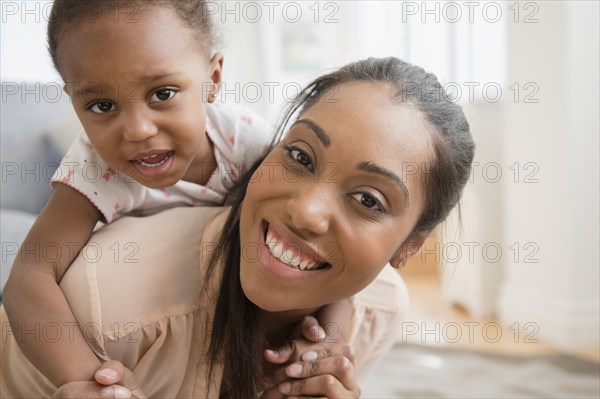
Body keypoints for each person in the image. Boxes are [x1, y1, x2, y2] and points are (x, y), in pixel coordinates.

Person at [1, 56, 475, 398]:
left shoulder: (380, 310)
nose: (306, 212)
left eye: (368, 199)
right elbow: (28, 281)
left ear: (409, 248)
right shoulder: (109, 309)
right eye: (301, 156)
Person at [2, 0, 352, 390]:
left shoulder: (248, 144)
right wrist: (84, 379)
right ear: (73, 101)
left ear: (212, 79)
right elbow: (30, 275)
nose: (137, 130)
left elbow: (320, 253)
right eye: (102, 105)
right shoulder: (94, 167)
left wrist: (330, 337)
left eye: (163, 93)